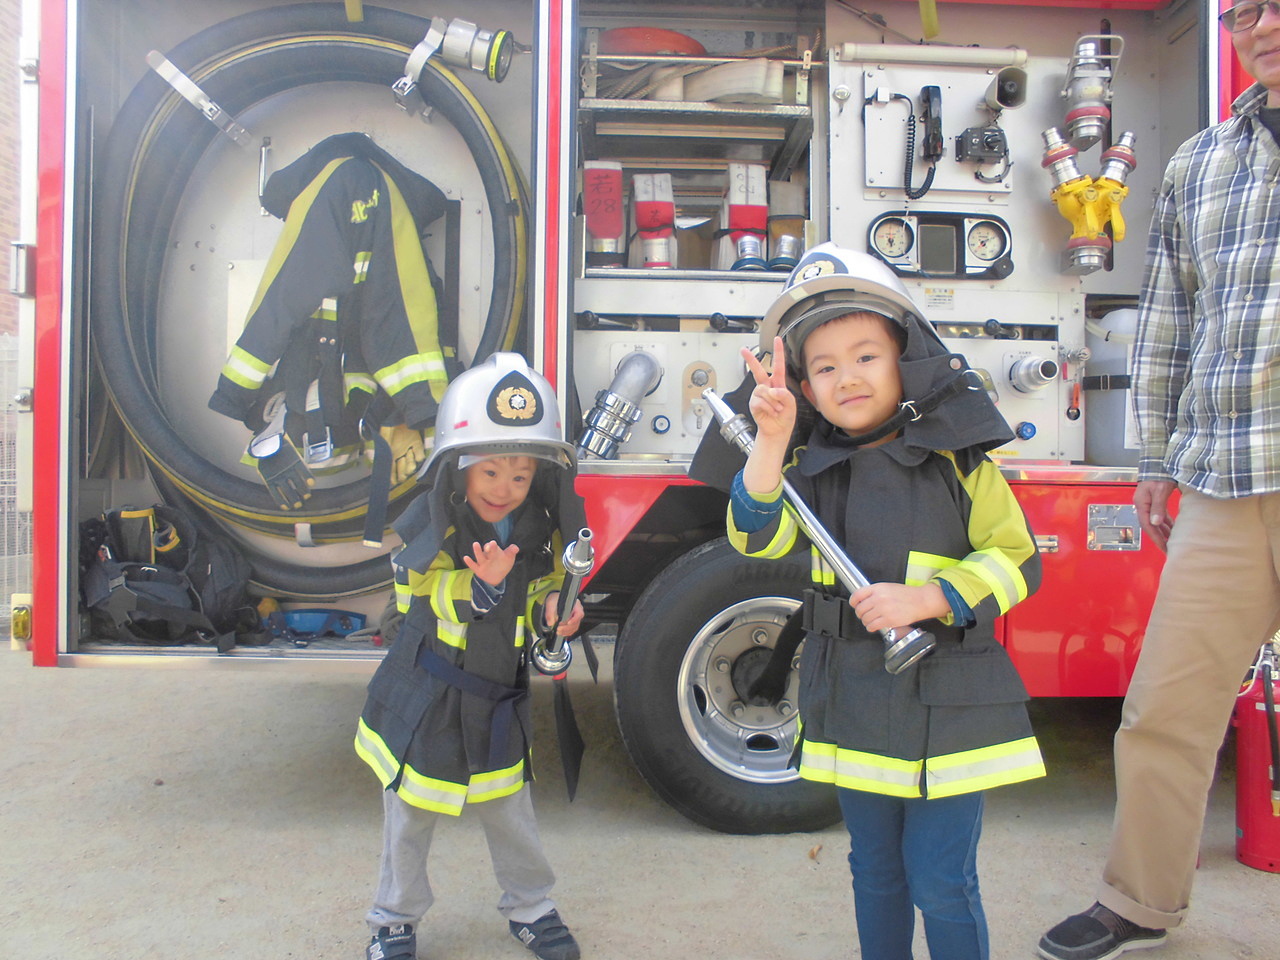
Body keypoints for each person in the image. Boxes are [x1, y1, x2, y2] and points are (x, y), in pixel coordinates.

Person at [1038, 3, 1280, 958]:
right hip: (1227, 481)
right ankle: (1139, 902)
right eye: (1247, 9)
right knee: (1165, 711)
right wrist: (1153, 460)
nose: (1262, 22)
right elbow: (1171, 320)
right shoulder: (1199, 163)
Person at [726, 243, 1045, 960]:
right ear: (805, 389)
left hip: (949, 705)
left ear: (906, 357)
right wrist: (771, 443)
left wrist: (930, 597)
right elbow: (754, 536)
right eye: (826, 367)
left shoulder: (960, 459)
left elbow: (1018, 560)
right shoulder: (805, 471)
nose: (848, 378)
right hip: (853, 702)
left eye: (866, 355)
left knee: (941, 880)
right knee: (873, 872)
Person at [354, 353, 587, 960]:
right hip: (426, 699)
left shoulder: (537, 533)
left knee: (512, 813)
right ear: (458, 470)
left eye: (519, 475)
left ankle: (532, 907)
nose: (504, 489)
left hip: (497, 698)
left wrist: (551, 612)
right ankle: (392, 919)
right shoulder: (429, 530)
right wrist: (478, 588)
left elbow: (538, 592)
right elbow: (419, 601)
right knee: (410, 817)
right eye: (490, 473)